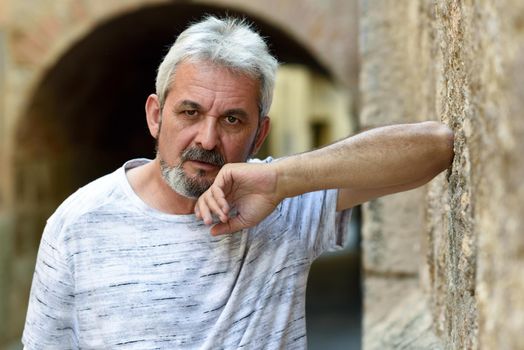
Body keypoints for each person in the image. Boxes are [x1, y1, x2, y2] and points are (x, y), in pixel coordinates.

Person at [22, 16, 454, 349]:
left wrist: (281, 179)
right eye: (189, 113)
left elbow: (434, 148)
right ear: (156, 115)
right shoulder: (79, 222)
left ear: (259, 133)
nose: (208, 139)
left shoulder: (279, 198)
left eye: (232, 120)